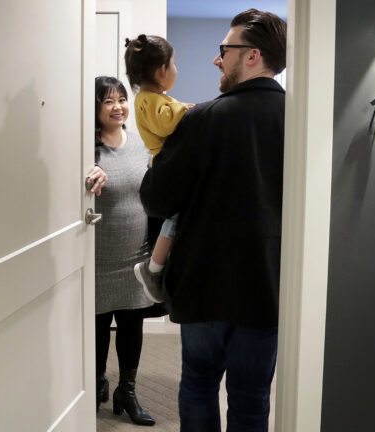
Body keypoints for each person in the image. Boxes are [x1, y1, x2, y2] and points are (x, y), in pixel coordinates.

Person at [138, 9, 287, 432]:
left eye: (225, 50)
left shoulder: (201, 119)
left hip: (204, 284)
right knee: (253, 396)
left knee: (200, 384)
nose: (216, 59)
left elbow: (157, 199)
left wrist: (158, 161)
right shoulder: (301, 120)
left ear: (252, 55)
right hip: (268, 286)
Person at [89, 75, 156, 426]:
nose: (117, 107)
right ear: (95, 109)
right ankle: (97, 383)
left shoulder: (142, 141)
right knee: (98, 329)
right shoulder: (85, 148)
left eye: (121, 99)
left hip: (136, 255)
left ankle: (126, 391)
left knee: (132, 326)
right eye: (108, 101)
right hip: (97, 260)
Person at [123, 34, 191, 304]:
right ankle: (153, 267)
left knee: (177, 216)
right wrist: (186, 109)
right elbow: (165, 125)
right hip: (162, 164)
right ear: (162, 69)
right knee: (174, 218)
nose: (176, 70)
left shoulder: (155, 97)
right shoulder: (147, 99)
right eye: (173, 64)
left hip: (165, 163)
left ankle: (157, 265)